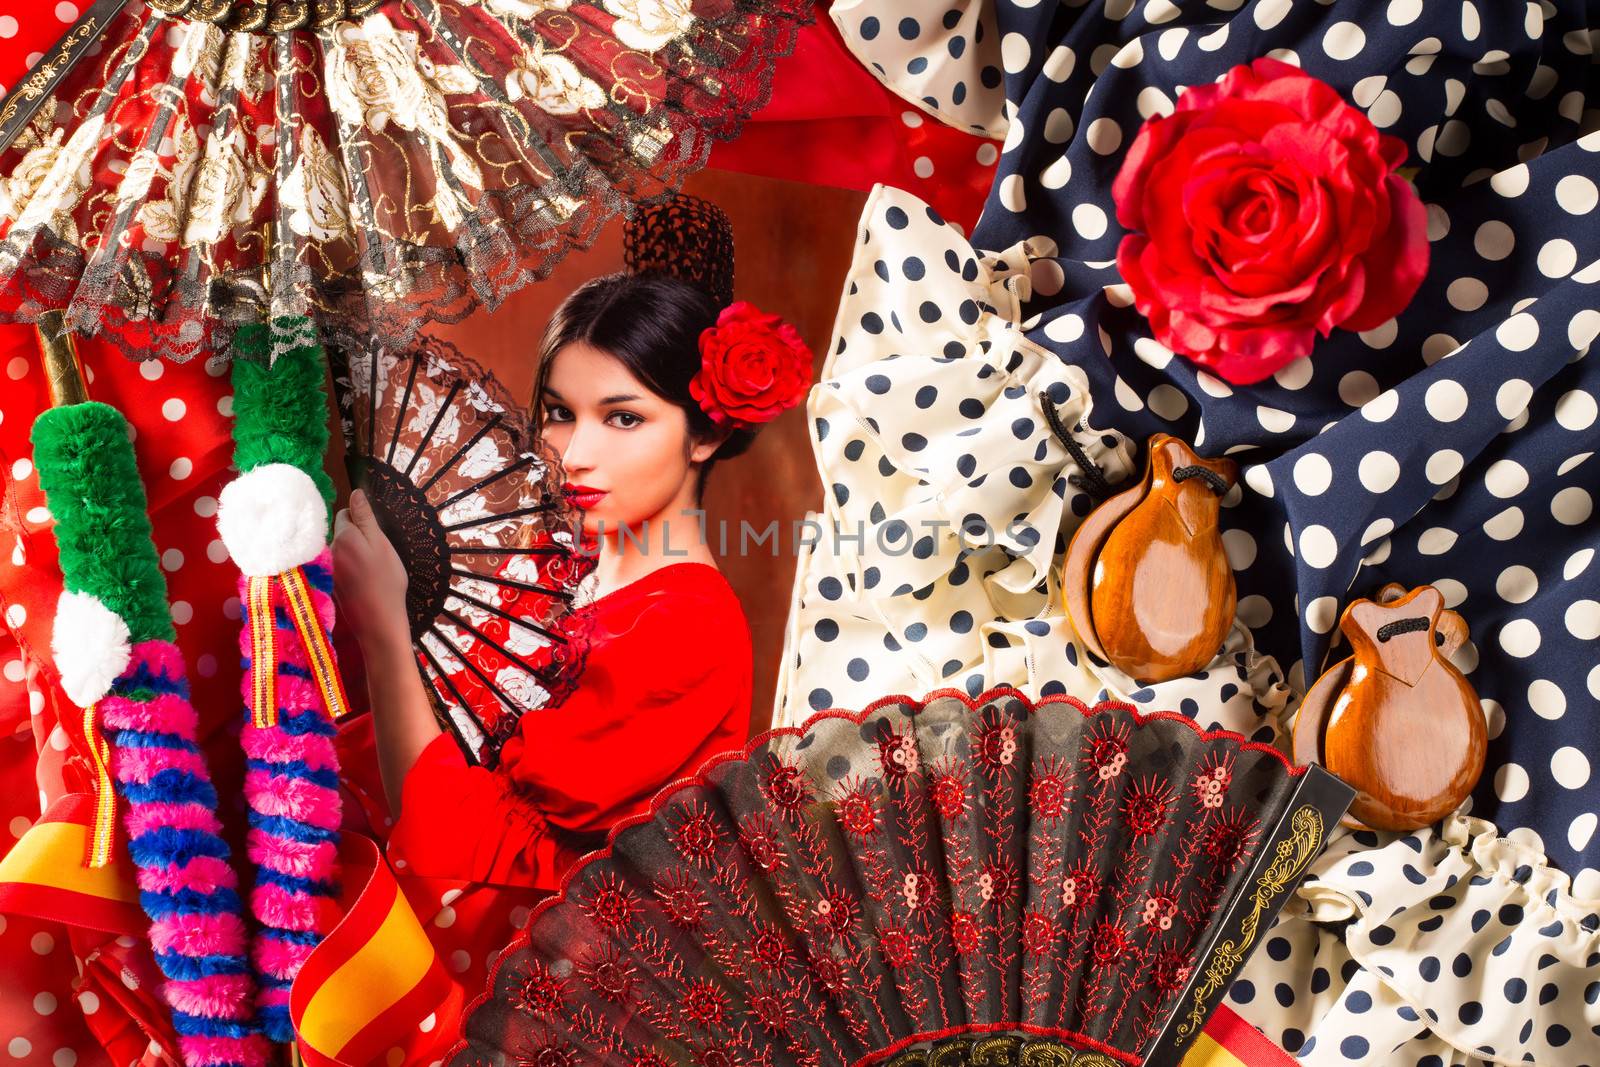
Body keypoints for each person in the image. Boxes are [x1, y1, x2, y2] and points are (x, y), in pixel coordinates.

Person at [332, 270, 811, 893]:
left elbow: (450, 843)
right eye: (559, 413)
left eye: (623, 419)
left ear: (708, 433)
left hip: (540, 970)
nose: (575, 452)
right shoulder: (541, 577)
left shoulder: (687, 629)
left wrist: (385, 634)